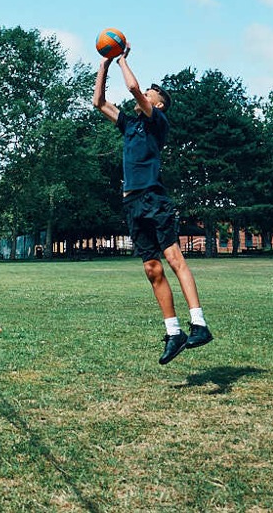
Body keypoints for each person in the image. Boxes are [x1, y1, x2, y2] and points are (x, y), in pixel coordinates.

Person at [92, 48, 210, 366]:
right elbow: (99, 103)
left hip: (153, 198)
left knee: (173, 259)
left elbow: (132, 87)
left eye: (149, 93)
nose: (143, 93)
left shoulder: (158, 122)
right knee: (151, 268)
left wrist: (122, 60)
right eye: (146, 91)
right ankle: (174, 332)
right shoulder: (129, 125)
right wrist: (103, 65)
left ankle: (199, 323)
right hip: (131, 203)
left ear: (156, 104)